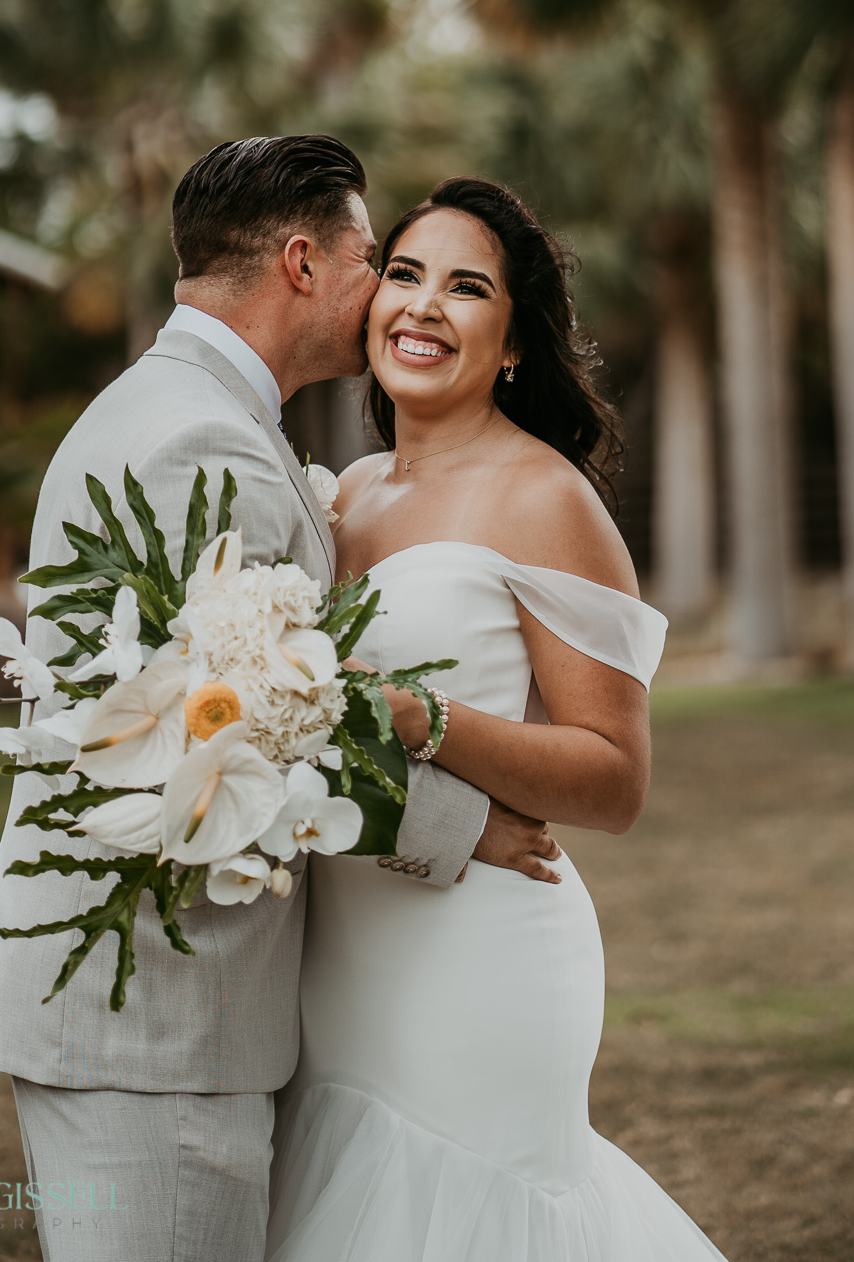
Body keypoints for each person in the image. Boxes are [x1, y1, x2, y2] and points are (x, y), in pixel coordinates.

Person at [0, 137, 559, 1262]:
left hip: (151, 1009)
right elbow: (226, 725)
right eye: (373, 258)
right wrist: (461, 826)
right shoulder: (202, 440)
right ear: (302, 263)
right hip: (154, 1009)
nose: (385, 289)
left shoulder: (187, 411)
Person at [266, 175, 728, 1261]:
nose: (423, 306)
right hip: (338, 957)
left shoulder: (545, 498)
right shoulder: (341, 495)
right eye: (407, 275)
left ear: (512, 342)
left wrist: (421, 716)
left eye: (466, 288)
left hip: (480, 954)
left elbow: (614, 778)